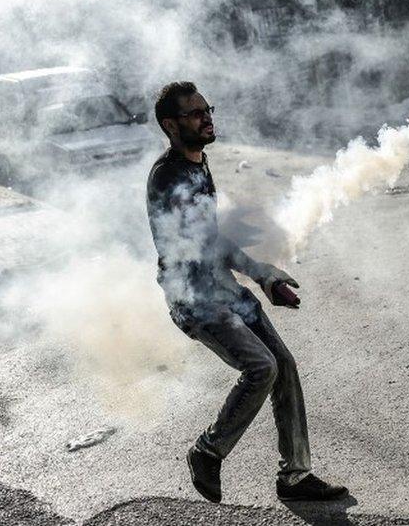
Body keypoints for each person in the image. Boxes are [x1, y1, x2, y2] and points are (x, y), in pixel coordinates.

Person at [146, 82, 348, 503]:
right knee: (262, 367)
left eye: (208, 109)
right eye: (195, 113)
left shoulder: (199, 163)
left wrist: (265, 278)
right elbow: (207, 242)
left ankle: (294, 477)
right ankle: (207, 451)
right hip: (195, 300)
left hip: (222, 288)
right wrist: (260, 272)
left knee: (284, 365)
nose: (207, 118)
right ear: (170, 124)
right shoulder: (168, 177)